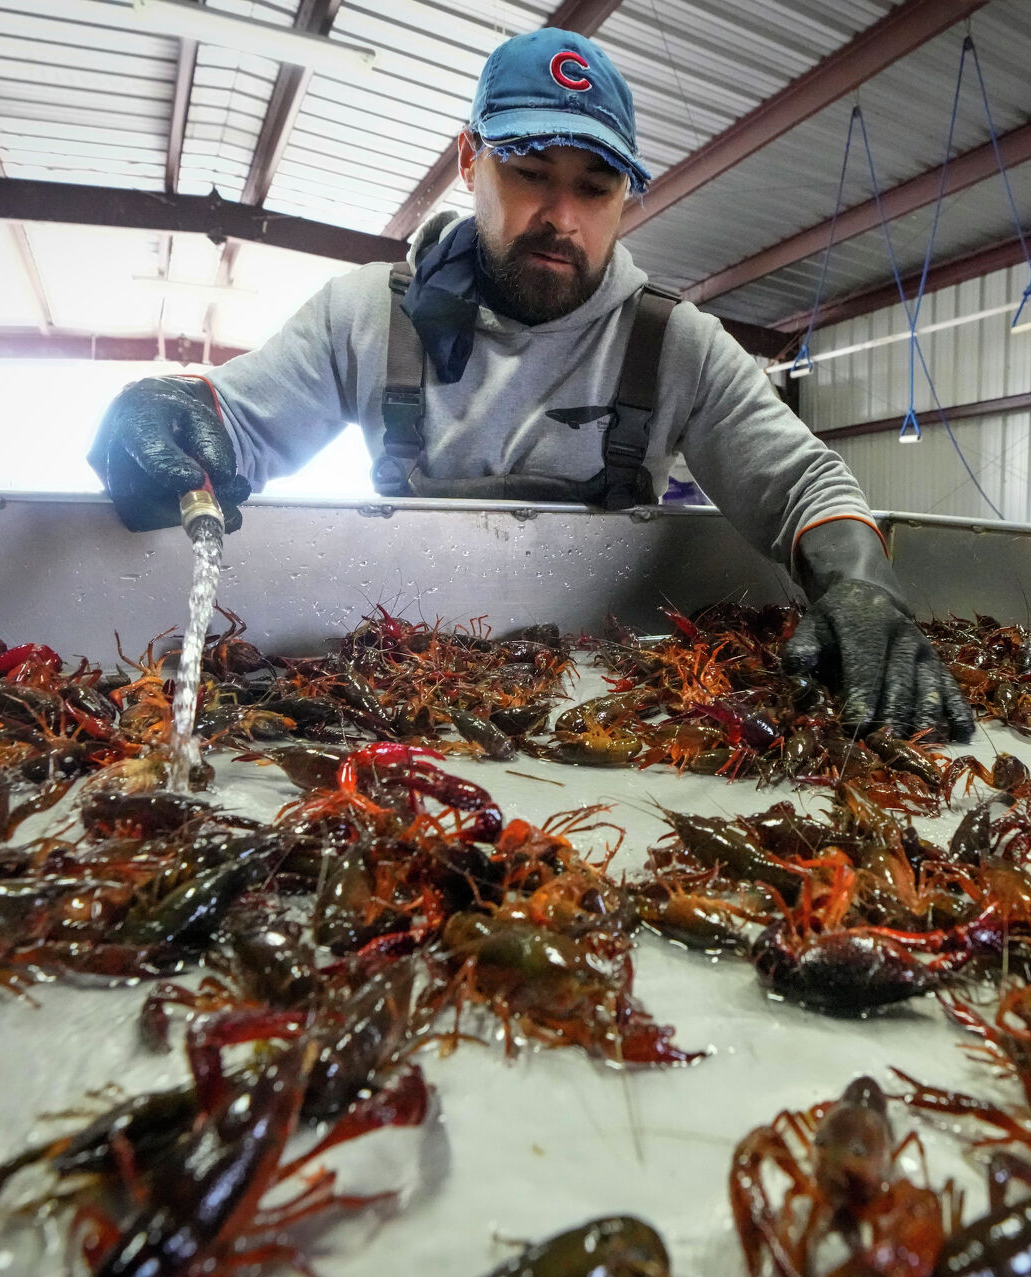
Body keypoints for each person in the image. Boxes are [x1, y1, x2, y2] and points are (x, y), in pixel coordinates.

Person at [88, 27, 973, 741]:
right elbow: (233, 426)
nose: (561, 217)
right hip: (397, 702)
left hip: (616, 707)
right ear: (469, 159)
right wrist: (161, 413)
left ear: (625, 196)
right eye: (531, 173)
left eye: (595, 187)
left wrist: (859, 585)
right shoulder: (365, 315)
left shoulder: (675, 343)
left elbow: (805, 484)